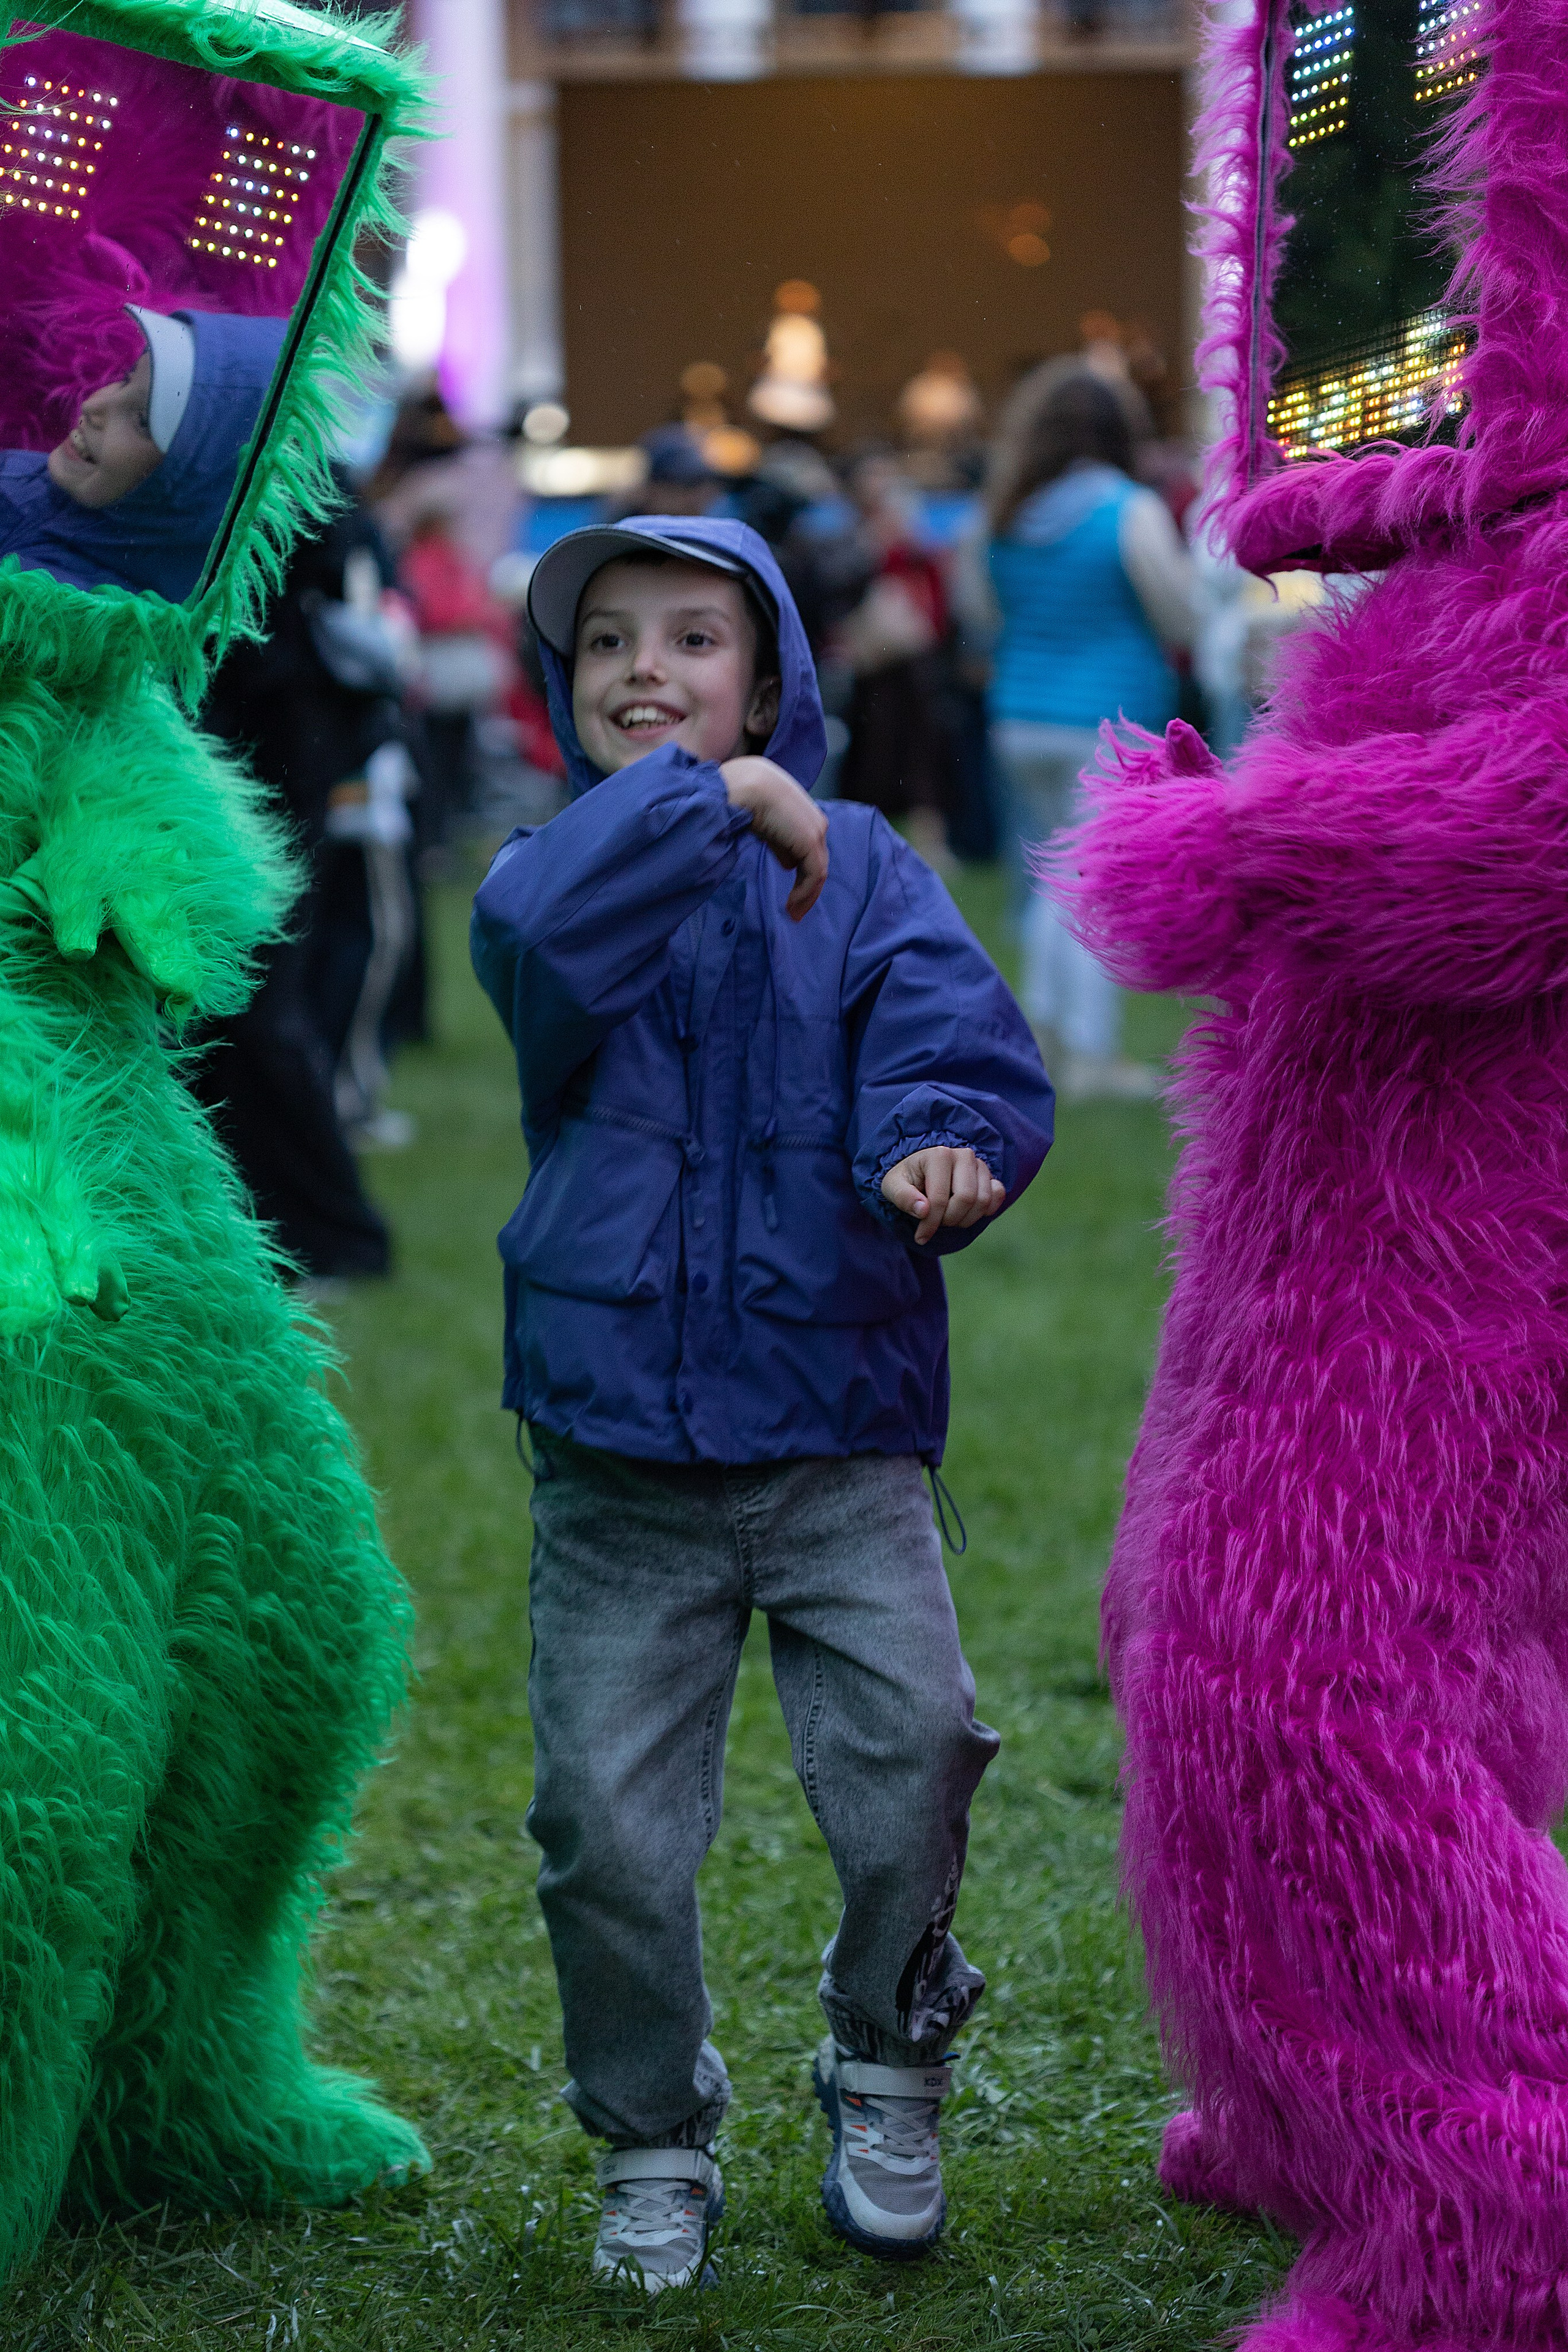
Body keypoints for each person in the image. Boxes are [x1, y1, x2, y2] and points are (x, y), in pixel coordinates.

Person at [470, 513, 1054, 2291]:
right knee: (607, 1832)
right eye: (609, 646)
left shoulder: (868, 867)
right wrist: (713, 804)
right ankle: (653, 2132)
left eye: (695, 640)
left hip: (837, 1434)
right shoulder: (545, 872)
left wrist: (938, 1147)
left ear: (777, 676)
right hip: (620, 1471)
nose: (649, 670)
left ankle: (884, 2044)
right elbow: (551, 952)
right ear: (566, 699)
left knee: (915, 1766)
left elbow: (950, 1036)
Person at [956, 361, 1194, 1098]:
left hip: (1018, 718)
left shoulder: (1000, 514)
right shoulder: (1130, 511)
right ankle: (1089, 1057)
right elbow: (1180, 617)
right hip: (1107, 720)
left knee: (1051, 884)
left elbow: (978, 613)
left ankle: (1044, 1040)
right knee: (1090, 890)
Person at [194, 478, 406, 1280]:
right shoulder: (283, 472)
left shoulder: (289, 482)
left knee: (262, 1008)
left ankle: (333, 1234)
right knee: (238, 1011)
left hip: (276, 761)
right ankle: (261, 1226)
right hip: (254, 757)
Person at [0, 305, 286, 601]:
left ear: (194, 493)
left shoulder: (76, 616)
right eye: (127, 378)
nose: (93, 406)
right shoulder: (38, 480)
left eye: (142, 420)